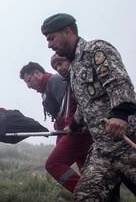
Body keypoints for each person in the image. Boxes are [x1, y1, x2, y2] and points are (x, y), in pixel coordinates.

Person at [40, 13, 136, 202]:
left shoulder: (96, 50)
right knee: (86, 195)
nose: (49, 45)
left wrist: (120, 114)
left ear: (68, 31)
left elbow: (119, 84)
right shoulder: (74, 66)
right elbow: (90, 103)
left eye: (51, 38)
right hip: (104, 150)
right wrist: (75, 125)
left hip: (132, 139)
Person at [19, 62, 93, 193]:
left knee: (53, 164)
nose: (29, 86)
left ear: (37, 73)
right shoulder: (45, 90)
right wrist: (60, 139)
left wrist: (71, 127)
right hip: (73, 132)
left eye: (29, 80)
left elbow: (71, 105)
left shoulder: (54, 80)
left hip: (78, 131)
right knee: (88, 172)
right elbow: (60, 118)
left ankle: (87, 194)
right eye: (26, 83)